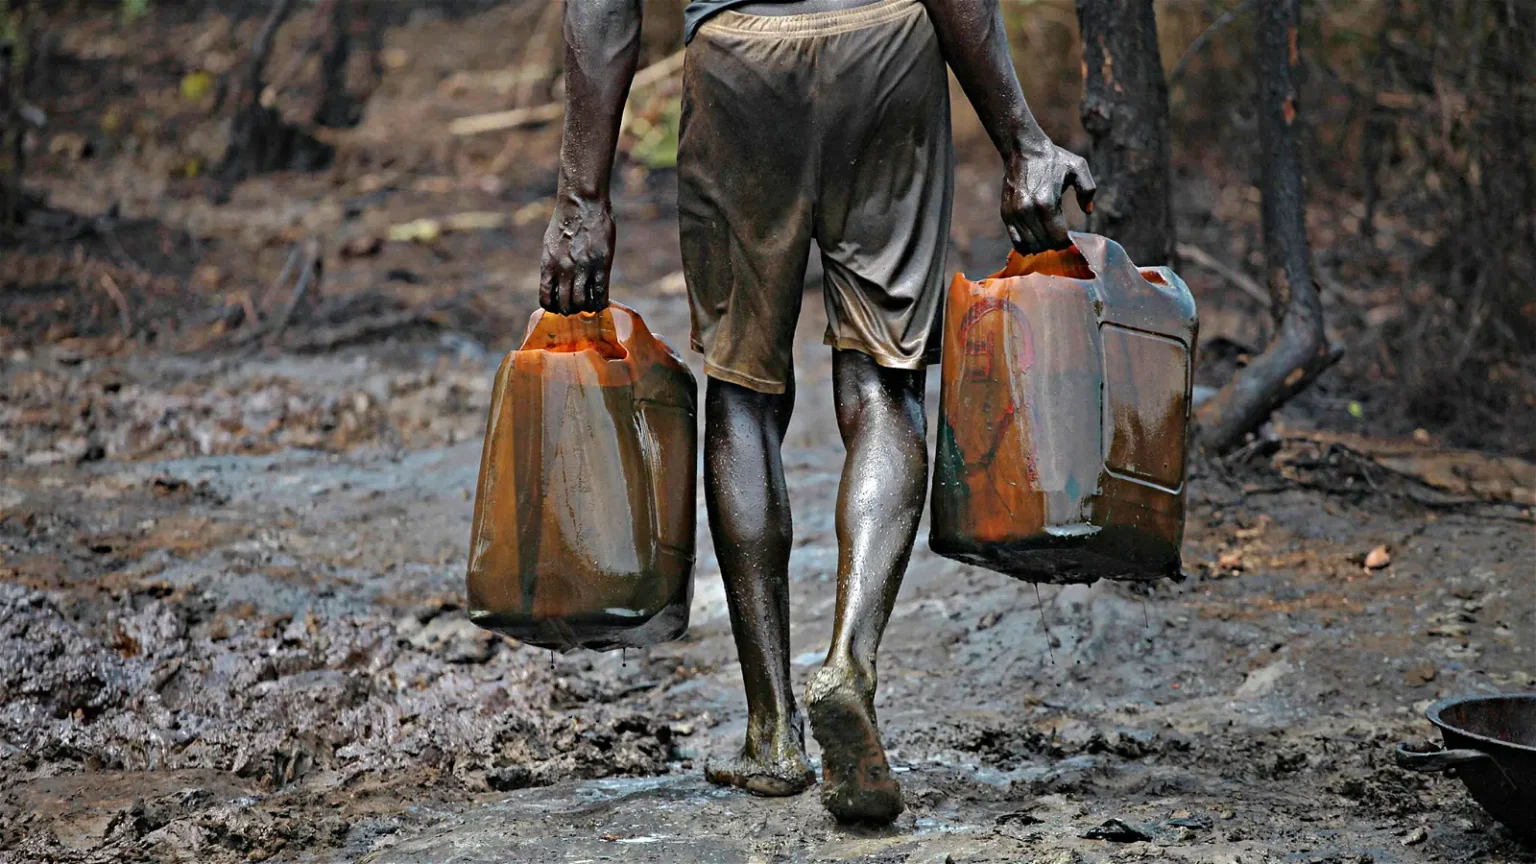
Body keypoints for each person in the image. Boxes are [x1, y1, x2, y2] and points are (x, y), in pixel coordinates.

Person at [540, 0, 1095, 823]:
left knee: (742, 390)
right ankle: (849, 664)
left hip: (736, 63)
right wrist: (1020, 135)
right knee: (884, 381)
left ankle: (772, 734)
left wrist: (583, 197)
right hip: (886, 47)